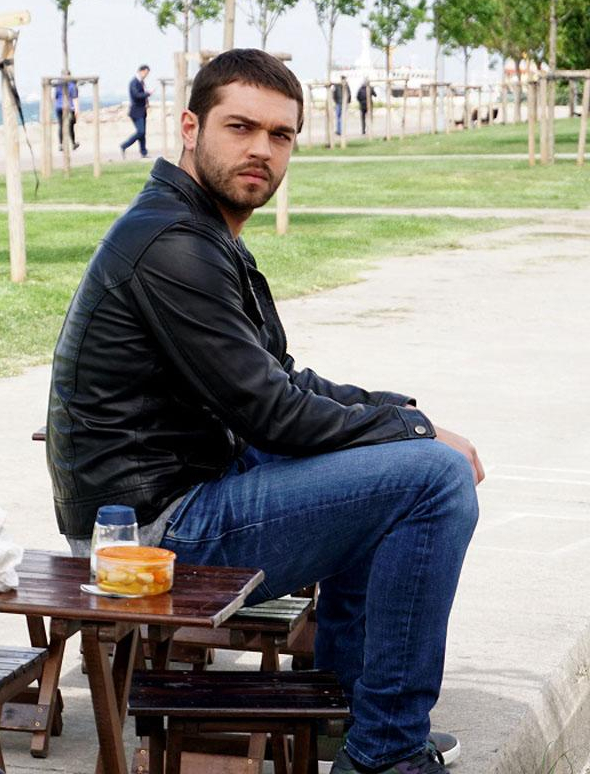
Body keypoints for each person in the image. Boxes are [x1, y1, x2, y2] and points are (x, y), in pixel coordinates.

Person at [45, 49, 480, 774]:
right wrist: (417, 433)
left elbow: (279, 379)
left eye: (281, 135)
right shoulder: (173, 246)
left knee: (391, 462)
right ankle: (386, 754)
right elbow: (273, 414)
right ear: (190, 128)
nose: (262, 150)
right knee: (432, 480)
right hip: (147, 537)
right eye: (241, 127)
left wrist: (397, 414)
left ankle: (349, 717)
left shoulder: (201, 229)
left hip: (183, 497)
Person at [121, 64, 151, 158]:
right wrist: (147, 94)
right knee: (140, 132)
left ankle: (143, 152)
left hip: (142, 110)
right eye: (145, 73)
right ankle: (124, 145)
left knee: (142, 133)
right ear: (141, 71)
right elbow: (136, 95)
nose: (146, 75)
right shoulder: (134, 82)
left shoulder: (141, 82)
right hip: (136, 111)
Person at [53, 76, 80, 151]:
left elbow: (55, 97)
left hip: (59, 107)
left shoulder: (58, 84)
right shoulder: (73, 86)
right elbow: (75, 99)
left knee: (61, 125)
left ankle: (61, 144)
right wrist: (76, 111)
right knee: (70, 127)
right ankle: (73, 143)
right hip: (69, 107)